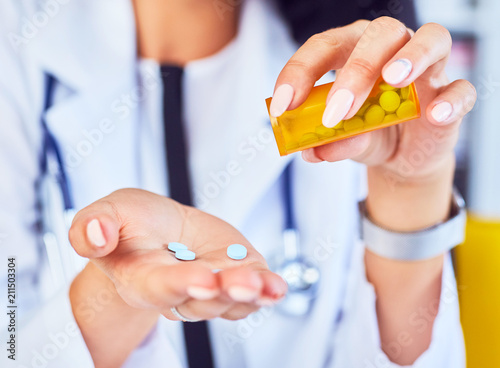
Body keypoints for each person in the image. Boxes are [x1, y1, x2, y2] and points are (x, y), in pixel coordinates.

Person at [0, 0, 476, 367]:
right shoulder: (18, 47)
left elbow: (403, 354)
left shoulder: (351, 78)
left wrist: (410, 187)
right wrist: (115, 293)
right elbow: (10, 338)